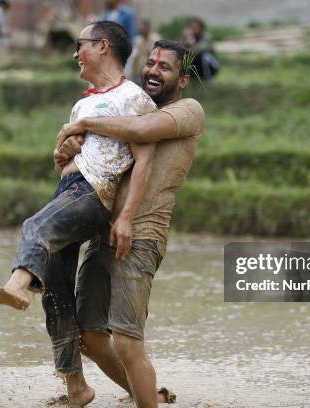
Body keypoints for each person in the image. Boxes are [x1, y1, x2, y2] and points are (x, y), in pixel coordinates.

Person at [0, 21, 157, 407]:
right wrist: (62, 157)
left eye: (80, 45)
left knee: (34, 225)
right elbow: (71, 159)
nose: (75, 54)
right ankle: (76, 386)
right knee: (56, 292)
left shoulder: (133, 98)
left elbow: (145, 160)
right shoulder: (82, 104)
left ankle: (17, 285)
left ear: (103, 47)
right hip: (69, 188)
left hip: (95, 193)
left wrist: (126, 216)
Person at [56, 40, 205, 408]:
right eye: (151, 62)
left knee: (125, 340)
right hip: (104, 232)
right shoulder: (128, 106)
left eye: (165, 67)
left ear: (183, 79)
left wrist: (86, 121)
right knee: (89, 337)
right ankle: (149, 396)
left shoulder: (188, 110)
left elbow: (141, 131)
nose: (153, 70)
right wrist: (64, 153)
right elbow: (90, 166)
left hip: (141, 234)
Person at [128, 19, 160, 83]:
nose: (142, 29)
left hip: (151, 72)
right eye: (141, 27)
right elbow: (134, 56)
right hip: (138, 71)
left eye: (144, 27)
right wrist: (131, 72)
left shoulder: (155, 39)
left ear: (148, 28)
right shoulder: (138, 40)